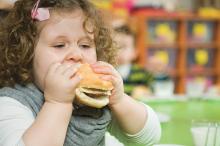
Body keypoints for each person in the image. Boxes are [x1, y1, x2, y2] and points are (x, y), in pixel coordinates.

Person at [0, 0, 161, 146]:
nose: (77, 55)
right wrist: (58, 103)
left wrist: (119, 100)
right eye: (60, 45)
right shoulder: (11, 103)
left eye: (85, 45)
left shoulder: (93, 99)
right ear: (26, 53)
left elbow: (149, 138)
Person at [113, 19, 155, 97]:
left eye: (123, 46)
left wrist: (147, 91)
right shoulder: (108, 72)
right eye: (113, 47)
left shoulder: (141, 73)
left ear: (134, 52)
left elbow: (153, 88)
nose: (118, 51)